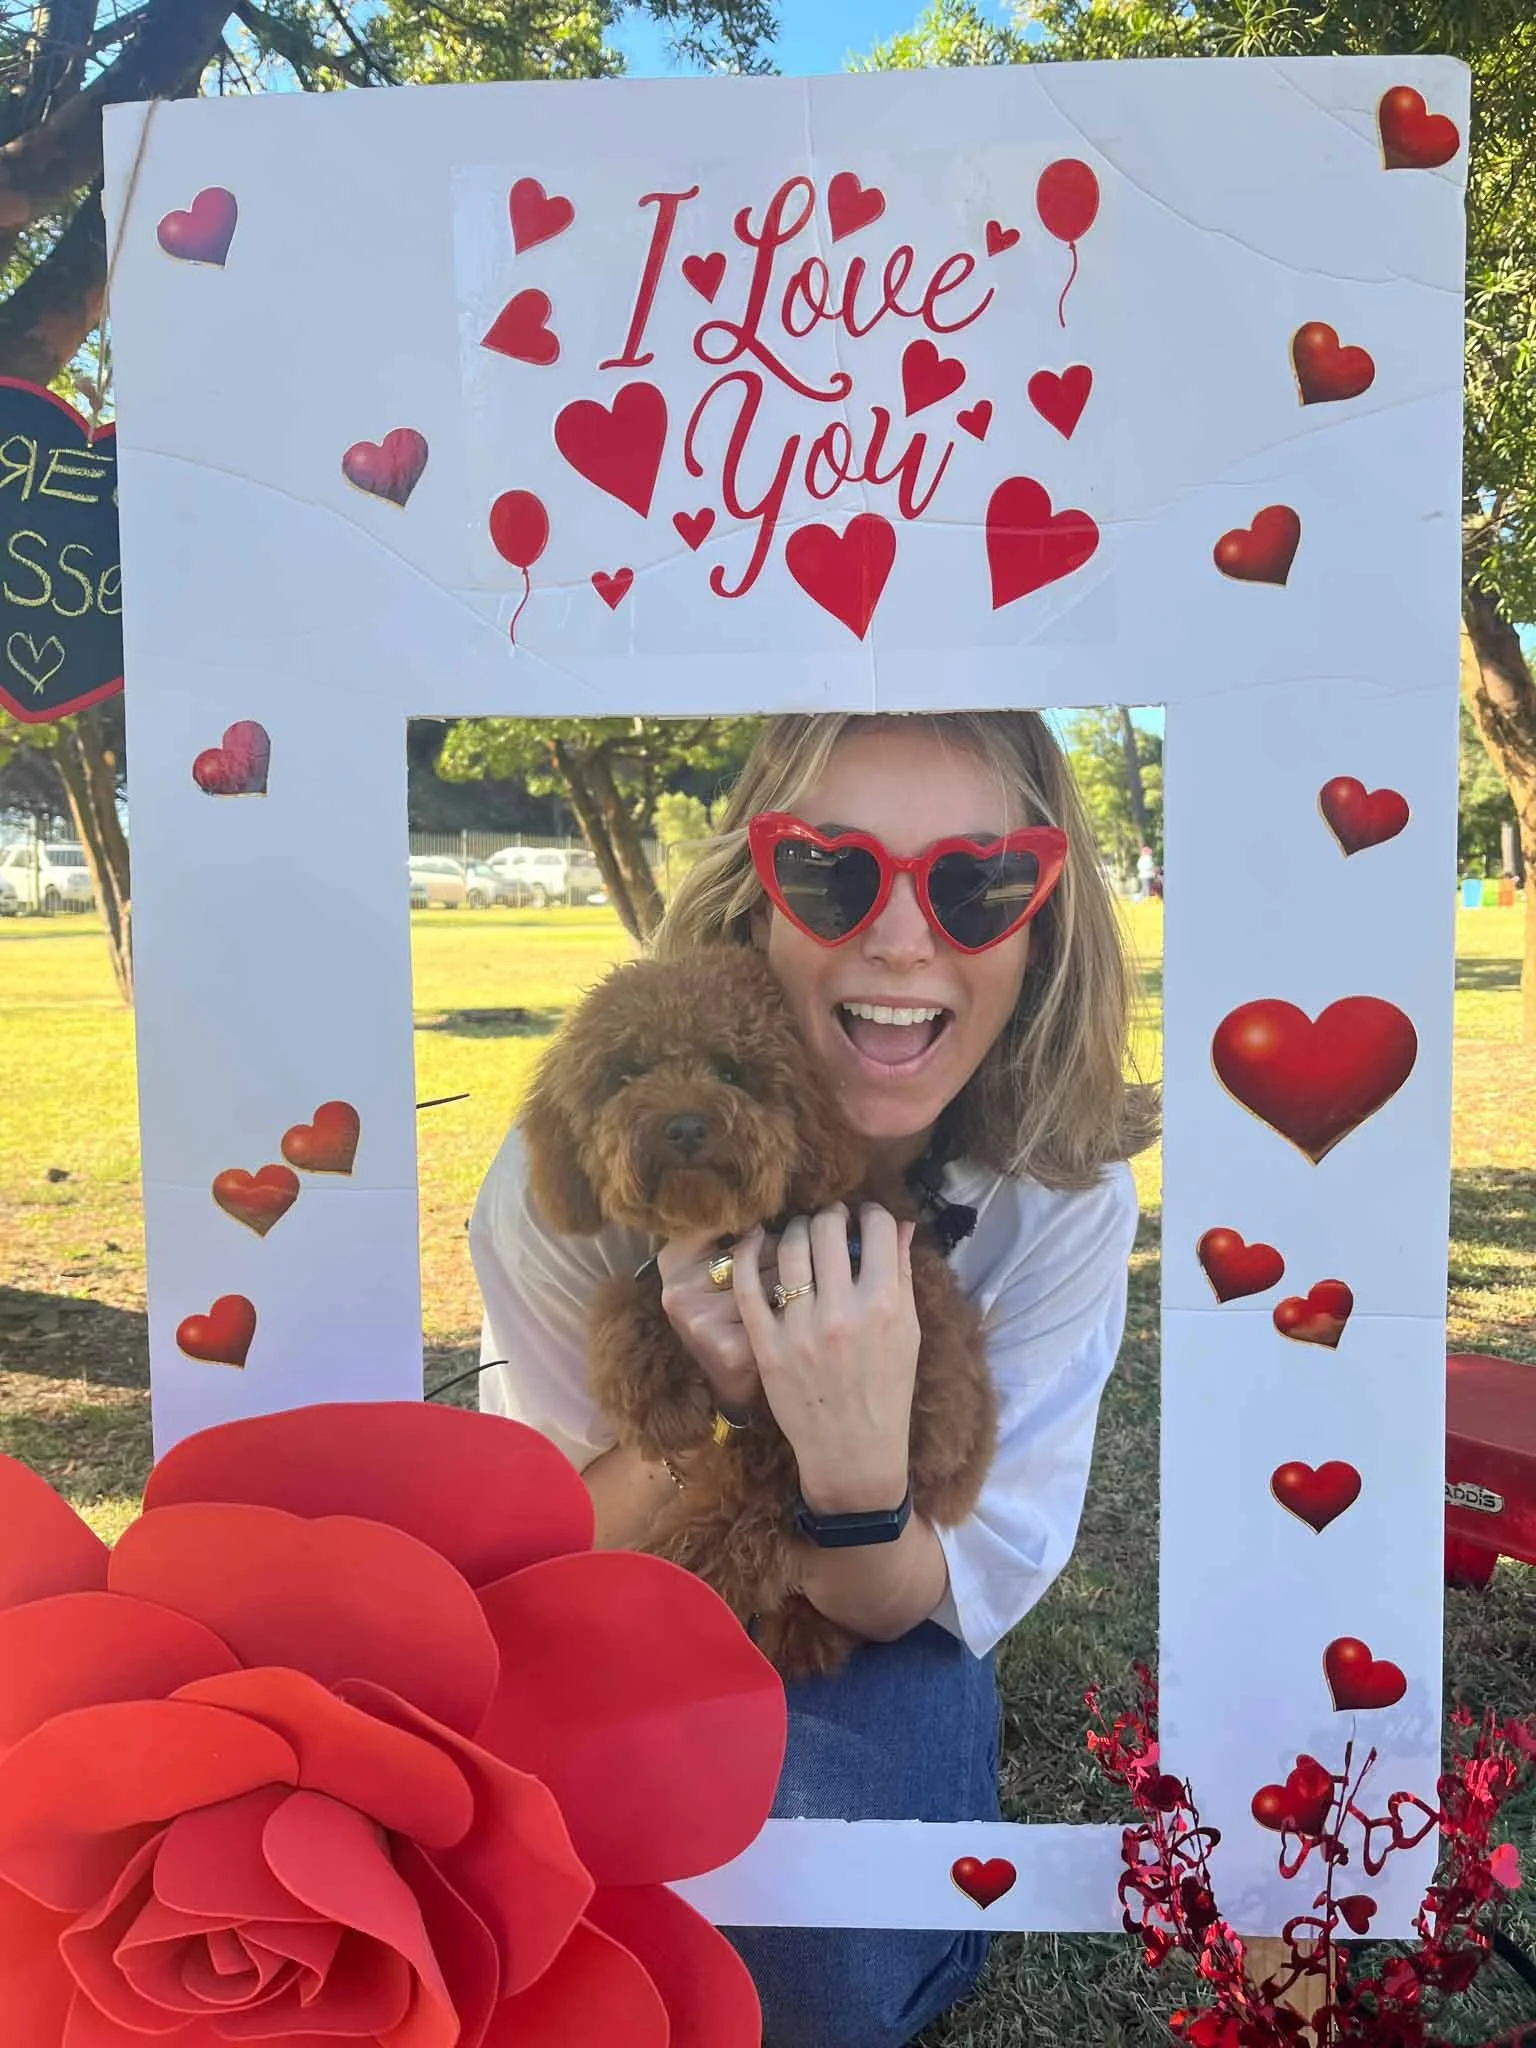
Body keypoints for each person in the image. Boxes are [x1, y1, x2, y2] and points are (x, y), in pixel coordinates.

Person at [470, 711, 1155, 2048]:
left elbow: (938, 1588)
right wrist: (719, 1419)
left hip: (874, 1616)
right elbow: (552, 1563)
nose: (904, 939)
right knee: (543, 1928)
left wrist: (849, 1472)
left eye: (977, 885)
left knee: (805, 1968)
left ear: (1040, 923)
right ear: (756, 899)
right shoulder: (565, 1181)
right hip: (632, 1605)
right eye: (836, 873)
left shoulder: (1057, 1195)